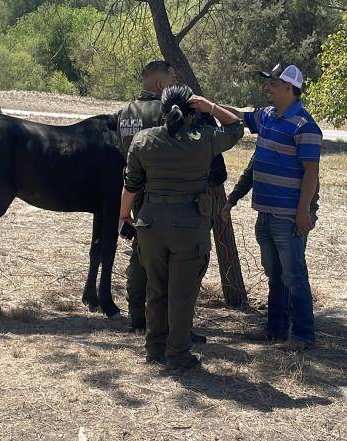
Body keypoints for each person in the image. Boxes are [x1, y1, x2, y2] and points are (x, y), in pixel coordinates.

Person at [119, 84, 243, 370]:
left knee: (156, 288)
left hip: (149, 223)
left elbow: (131, 185)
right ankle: (178, 354)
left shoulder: (142, 141)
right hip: (189, 224)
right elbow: (236, 127)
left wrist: (124, 216)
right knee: (182, 294)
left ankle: (154, 348)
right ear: (192, 111)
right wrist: (210, 106)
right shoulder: (204, 140)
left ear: (162, 111)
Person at [220, 64, 322, 351]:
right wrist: (208, 106)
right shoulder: (267, 117)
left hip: (287, 217)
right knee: (275, 274)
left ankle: (302, 335)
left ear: (289, 88)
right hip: (265, 213)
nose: (267, 88)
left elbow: (311, 174)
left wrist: (304, 211)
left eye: (273, 84)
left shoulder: (305, 126)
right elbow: (238, 116)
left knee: (294, 276)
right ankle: (275, 329)